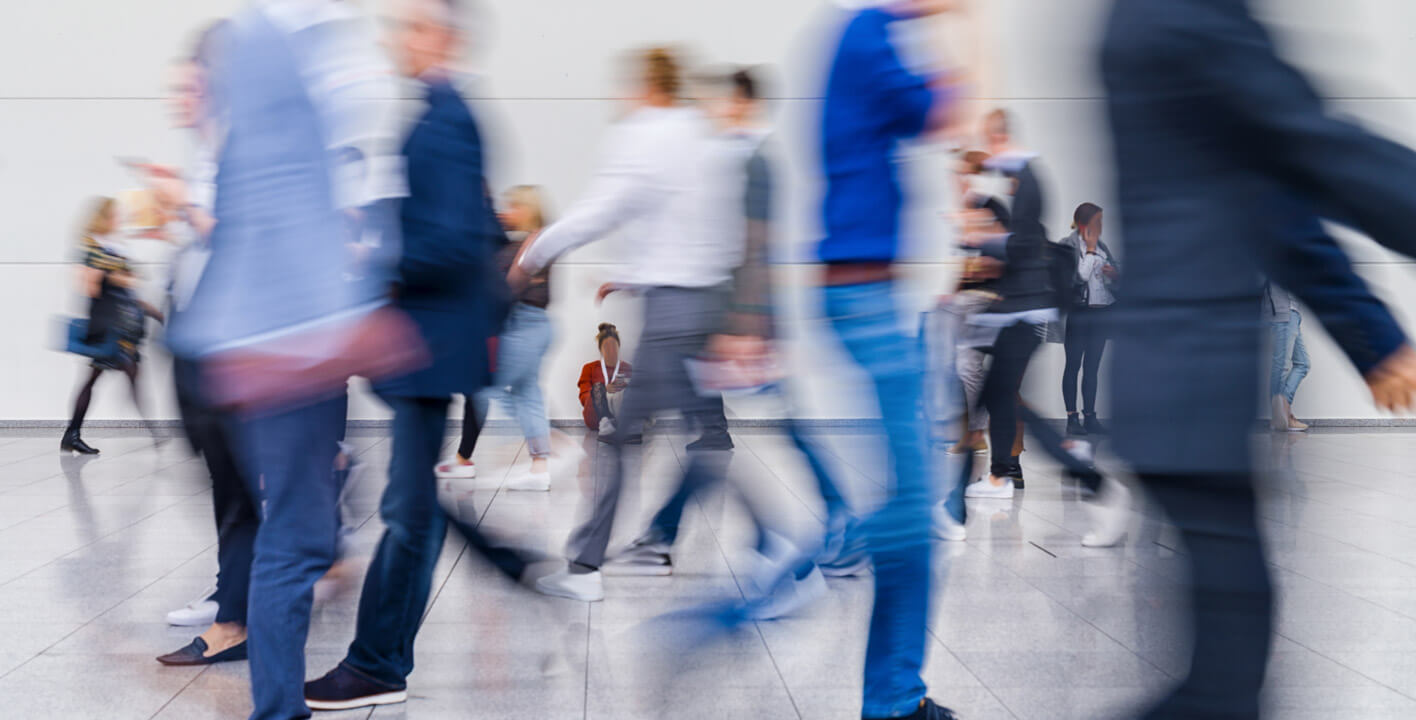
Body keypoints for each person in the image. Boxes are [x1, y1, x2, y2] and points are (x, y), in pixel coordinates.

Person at [1101, 2, 1416, 718]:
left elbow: (1266, 200)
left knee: (1228, 675)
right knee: (1224, 688)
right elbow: (1312, 145)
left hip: (1181, 383)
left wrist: (1371, 333)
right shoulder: (1183, 14)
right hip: (1188, 378)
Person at [162, 1, 408, 716]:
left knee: (295, 532)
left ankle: (275, 697)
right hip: (291, 336)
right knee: (296, 538)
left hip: (278, 331)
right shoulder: (284, 35)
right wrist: (339, 315)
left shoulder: (288, 33)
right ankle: (276, 705)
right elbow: (282, 189)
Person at [302, 1, 539, 710]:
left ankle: (377, 664)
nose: (393, 39)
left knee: (408, 510)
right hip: (430, 341)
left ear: (441, 36)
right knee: (412, 503)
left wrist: (371, 254)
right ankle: (503, 566)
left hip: (432, 343)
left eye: (408, 26)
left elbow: (451, 243)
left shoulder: (446, 118)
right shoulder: (440, 114)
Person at [511, 47, 735, 603]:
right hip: (703, 303)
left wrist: (534, 252)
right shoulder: (698, 133)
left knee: (615, 437)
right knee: (710, 437)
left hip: (672, 314)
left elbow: (602, 210)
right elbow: (690, 229)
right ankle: (674, 540)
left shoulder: (646, 134)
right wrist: (636, 275)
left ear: (646, 85)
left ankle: (585, 568)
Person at [815, 1, 966, 718]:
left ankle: (896, 698)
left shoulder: (866, 33)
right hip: (864, 297)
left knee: (913, 511)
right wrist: (967, 30)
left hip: (876, 297)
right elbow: (939, 109)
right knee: (910, 513)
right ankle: (780, 577)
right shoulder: (865, 30)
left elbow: (917, 119)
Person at [154, 23, 257, 668]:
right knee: (226, 484)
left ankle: (238, 622)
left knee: (240, 485)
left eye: (192, 84)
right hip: (201, 341)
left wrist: (186, 208)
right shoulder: (211, 149)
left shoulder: (242, 145)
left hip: (231, 349)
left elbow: (240, 235)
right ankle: (232, 597)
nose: (181, 97)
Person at [436, 185, 560, 490]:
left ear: (528, 209)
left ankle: (555, 445)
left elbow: (506, 287)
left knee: (481, 386)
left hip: (524, 326)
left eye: (514, 206)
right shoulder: (529, 242)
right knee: (527, 391)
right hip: (533, 326)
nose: (508, 212)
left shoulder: (532, 244)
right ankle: (540, 467)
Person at [962, 108, 1057, 500]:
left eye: (990, 141)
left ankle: (1087, 478)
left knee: (999, 396)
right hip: (1018, 309)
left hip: (1025, 311)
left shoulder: (1025, 182)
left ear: (999, 139)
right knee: (998, 394)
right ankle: (999, 475)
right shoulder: (1021, 180)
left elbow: (1022, 245)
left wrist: (979, 240)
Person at [62, 197, 163, 455]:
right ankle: (155, 432)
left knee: (101, 378)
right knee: (129, 374)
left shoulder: (111, 247)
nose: (119, 219)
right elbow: (89, 287)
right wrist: (110, 277)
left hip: (121, 326)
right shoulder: (93, 248)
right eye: (114, 215)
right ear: (104, 218)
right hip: (110, 328)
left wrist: (149, 308)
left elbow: (126, 285)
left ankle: (72, 434)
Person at [1058, 202, 1118, 436]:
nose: (1101, 226)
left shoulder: (1102, 245)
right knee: (1073, 366)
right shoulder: (1068, 245)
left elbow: (1112, 276)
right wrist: (1091, 251)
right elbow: (1076, 278)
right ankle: (1072, 418)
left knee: (1092, 368)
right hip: (1079, 313)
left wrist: (1114, 274)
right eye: (1097, 221)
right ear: (1084, 223)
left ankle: (1090, 416)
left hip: (1100, 313)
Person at [1265, 282, 1309, 432]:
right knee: (1281, 365)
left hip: (1293, 313)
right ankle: (1280, 416)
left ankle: (1283, 410)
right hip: (1283, 311)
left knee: (1302, 363)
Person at [577, 322, 632, 433]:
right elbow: (584, 397)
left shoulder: (627, 368)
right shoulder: (589, 368)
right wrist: (604, 391)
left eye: (614, 346)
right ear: (600, 349)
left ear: (618, 347)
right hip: (597, 418)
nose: (610, 350)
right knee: (597, 387)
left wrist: (625, 387)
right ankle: (606, 422)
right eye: (606, 346)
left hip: (619, 413)